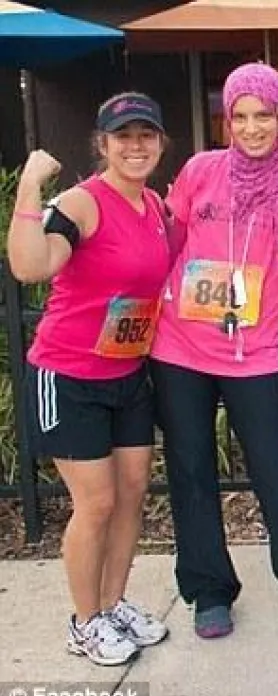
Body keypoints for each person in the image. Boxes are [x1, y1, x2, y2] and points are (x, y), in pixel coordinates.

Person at [149, 63, 278, 639]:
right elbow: (173, 239)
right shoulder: (201, 170)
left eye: (265, 116)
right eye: (241, 116)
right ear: (227, 120)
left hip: (252, 352)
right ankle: (209, 589)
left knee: (274, 467)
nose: (253, 128)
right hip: (180, 346)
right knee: (190, 469)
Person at [7, 93, 173, 665]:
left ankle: (112, 603)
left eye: (146, 135)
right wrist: (30, 185)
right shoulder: (82, 202)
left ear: (160, 143)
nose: (135, 146)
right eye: (122, 136)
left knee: (131, 492)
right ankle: (85, 622)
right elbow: (31, 265)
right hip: (70, 375)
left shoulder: (154, 206)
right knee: (97, 502)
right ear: (102, 144)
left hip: (128, 373)